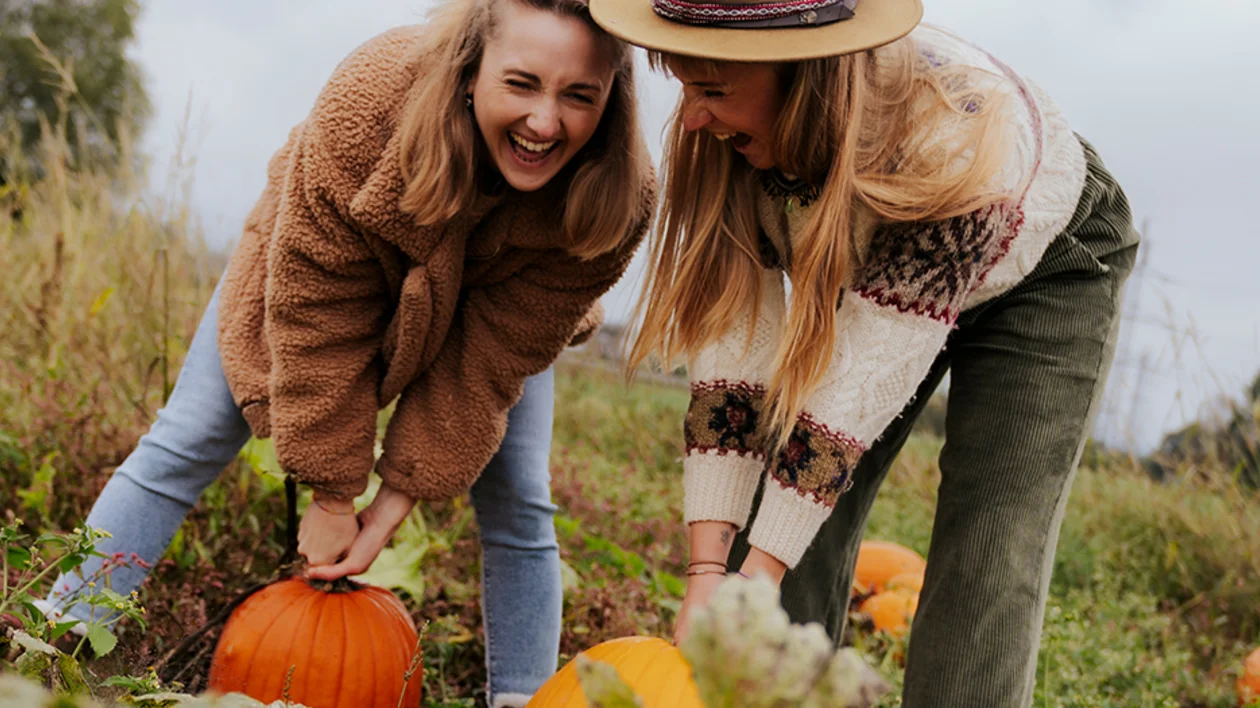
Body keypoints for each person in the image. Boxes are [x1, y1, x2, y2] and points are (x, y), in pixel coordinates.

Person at [42, 0, 655, 704]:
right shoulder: (367, 106)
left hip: (492, 308)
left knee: (519, 496)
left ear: (611, 100)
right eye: (520, 84)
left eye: (579, 96)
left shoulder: (617, 195)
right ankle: (57, 641)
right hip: (322, 273)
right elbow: (315, 311)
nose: (546, 123)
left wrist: (393, 502)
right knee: (192, 432)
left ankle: (523, 698)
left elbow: (486, 365)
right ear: (469, 72)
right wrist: (333, 492)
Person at [594, 0, 1139, 704]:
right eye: (686, 86)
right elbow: (735, 369)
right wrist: (710, 577)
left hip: (1044, 260)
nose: (692, 116)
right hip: (879, 255)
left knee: (989, 548)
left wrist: (753, 579)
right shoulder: (723, 139)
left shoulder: (953, 137)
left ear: (800, 73)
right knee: (779, 511)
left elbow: (853, 393)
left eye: (715, 91)